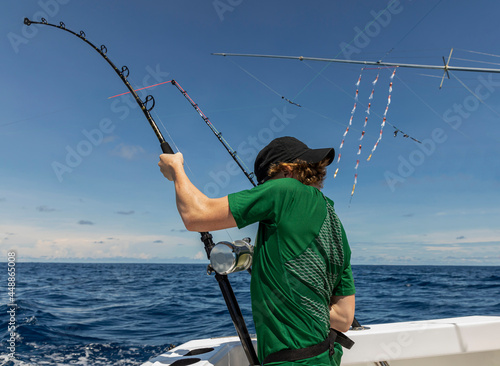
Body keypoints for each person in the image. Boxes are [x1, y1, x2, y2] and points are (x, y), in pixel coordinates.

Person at [159, 136, 355, 366]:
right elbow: (343, 318)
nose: (265, 190)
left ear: (286, 171)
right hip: (326, 357)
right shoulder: (333, 223)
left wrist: (175, 170)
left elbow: (196, 216)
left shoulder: (285, 189)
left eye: (266, 185)